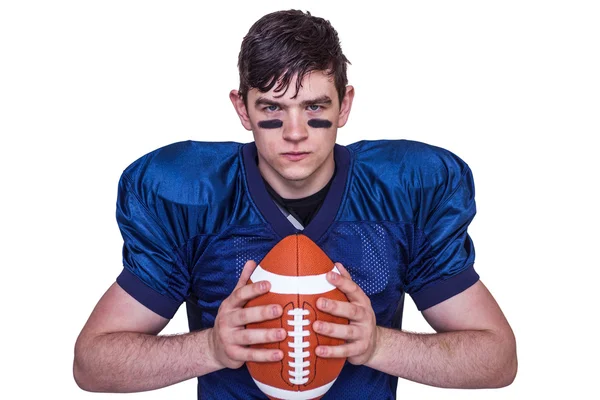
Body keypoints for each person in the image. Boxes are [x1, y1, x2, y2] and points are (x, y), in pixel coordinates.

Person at [73, 9, 517, 399]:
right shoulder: (190, 197)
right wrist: (210, 348)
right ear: (242, 109)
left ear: (345, 105)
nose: (295, 132)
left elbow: (497, 360)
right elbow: (92, 364)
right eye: (272, 108)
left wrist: (378, 345)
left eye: (314, 107)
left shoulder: (403, 192)